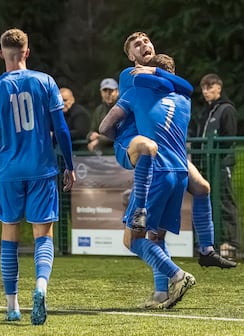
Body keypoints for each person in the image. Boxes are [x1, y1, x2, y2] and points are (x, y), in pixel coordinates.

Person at [0, 28, 76, 325]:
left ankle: (12, 307)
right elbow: (62, 130)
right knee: (43, 235)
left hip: (9, 172)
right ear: (27, 52)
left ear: (1, 53)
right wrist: (70, 165)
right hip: (42, 168)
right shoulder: (46, 82)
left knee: (9, 236)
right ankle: (40, 287)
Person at [111, 31, 236, 269]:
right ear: (130, 57)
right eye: (136, 45)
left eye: (146, 41)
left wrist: (156, 71)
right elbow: (177, 86)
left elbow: (186, 87)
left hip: (165, 147)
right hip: (138, 145)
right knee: (139, 235)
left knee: (202, 187)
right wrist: (160, 75)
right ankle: (139, 208)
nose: (144, 45)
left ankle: (206, 251)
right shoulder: (130, 75)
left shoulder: (154, 75)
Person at [100, 54, 196, 309]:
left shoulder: (137, 93)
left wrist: (124, 138)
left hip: (157, 170)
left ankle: (178, 275)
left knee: (131, 240)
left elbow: (105, 127)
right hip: (180, 172)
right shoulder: (184, 99)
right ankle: (161, 294)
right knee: (155, 235)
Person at [197, 73, 239, 259]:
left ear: (219, 88)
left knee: (225, 203)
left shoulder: (226, 109)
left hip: (222, 165)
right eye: (204, 88)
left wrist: (218, 159)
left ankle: (232, 244)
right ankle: (213, 243)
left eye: (209, 87)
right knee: (210, 204)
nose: (206, 91)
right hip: (206, 165)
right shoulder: (207, 112)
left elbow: (228, 139)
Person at [87, 78, 119, 153]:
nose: (108, 94)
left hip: (118, 150)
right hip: (101, 153)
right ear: (101, 93)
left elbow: (119, 134)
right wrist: (91, 135)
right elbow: (92, 130)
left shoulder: (122, 108)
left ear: (117, 92)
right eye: (105, 91)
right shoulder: (98, 110)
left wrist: (99, 138)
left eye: (111, 91)